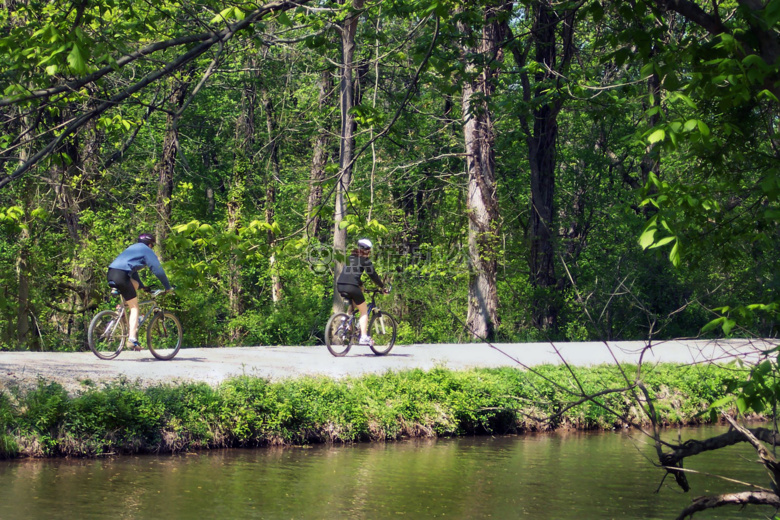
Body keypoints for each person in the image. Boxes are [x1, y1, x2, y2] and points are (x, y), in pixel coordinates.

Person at [107, 233, 173, 350]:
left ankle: (121, 310)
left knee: (135, 285)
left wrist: (142, 287)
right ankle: (132, 339)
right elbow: (158, 270)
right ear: (150, 244)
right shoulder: (146, 250)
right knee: (135, 307)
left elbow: (133, 272)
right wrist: (167, 286)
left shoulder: (132, 248)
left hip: (112, 273)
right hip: (122, 276)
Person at [336, 238, 388, 346]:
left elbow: (351, 274)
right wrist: (382, 287)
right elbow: (373, 275)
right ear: (368, 250)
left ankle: (344, 324)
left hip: (340, 285)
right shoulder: (365, 260)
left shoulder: (350, 257)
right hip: (352, 287)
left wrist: (360, 285)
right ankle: (364, 337)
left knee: (353, 306)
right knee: (364, 311)